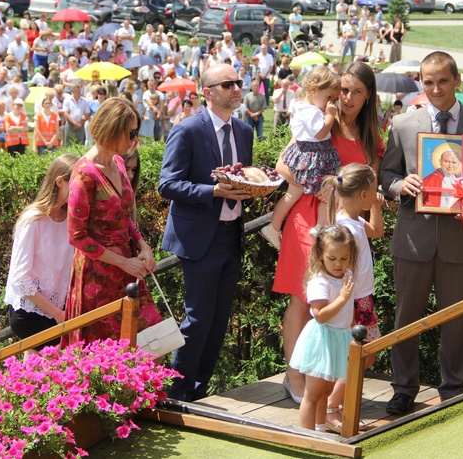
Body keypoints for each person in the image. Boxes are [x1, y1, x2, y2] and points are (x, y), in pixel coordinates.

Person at [380, 51, 463, 415]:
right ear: (421, 81)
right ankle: (403, 388)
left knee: (455, 319)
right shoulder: (403, 124)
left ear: (457, 81)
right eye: (428, 81)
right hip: (412, 239)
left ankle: (453, 389)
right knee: (405, 316)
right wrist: (400, 184)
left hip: (459, 241)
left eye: (442, 81)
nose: (435, 88)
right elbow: (385, 174)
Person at [274, 61, 383, 402]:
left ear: (368, 97)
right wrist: (315, 182)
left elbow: (370, 185)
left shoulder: (372, 137)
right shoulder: (322, 121)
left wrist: (340, 193)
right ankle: (295, 377)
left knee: (342, 300)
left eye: (356, 92)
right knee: (302, 295)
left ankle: (330, 383)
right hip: (308, 217)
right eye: (343, 90)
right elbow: (283, 164)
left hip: (346, 228)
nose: (347, 98)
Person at [159, 63, 253, 402]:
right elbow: (167, 184)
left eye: (238, 82)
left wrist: (255, 188)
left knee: (218, 320)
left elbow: (243, 178)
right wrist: (212, 192)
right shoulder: (187, 130)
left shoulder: (244, 131)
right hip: (199, 238)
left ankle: (199, 391)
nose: (236, 88)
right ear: (207, 93)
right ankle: (176, 391)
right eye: (227, 84)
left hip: (232, 233)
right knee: (198, 318)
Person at [63, 98, 161, 344]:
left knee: (150, 338)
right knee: (103, 350)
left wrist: (143, 245)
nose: (135, 139)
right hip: (97, 277)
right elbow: (76, 236)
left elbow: (124, 215)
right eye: (132, 133)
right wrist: (123, 262)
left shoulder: (118, 162)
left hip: (127, 268)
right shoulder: (84, 173)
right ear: (112, 130)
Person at [321, 163, 384, 432]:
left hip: (362, 299)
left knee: (365, 355)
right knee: (359, 356)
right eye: (374, 190)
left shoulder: (355, 220)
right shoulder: (345, 228)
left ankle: (340, 406)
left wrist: (377, 208)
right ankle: (332, 408)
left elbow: (377, 232)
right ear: (363, 195)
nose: (377, 193)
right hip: (353, 302)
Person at [260, 66, 341, 249]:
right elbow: (320, 133)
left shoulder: (303, 107)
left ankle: (274, 226)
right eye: (329, 97)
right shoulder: (311, 111)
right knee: (327, 195)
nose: (332, 103)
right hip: (314, 157)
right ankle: (319, 227)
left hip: (307, 155)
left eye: (334, 100)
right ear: (313, 89)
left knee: (294, 192)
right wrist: (330, 116)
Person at [5, 154, 78, 352]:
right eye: (77, 182)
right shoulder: (34, 219)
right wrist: (57, 313)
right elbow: (21, 278)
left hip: (57, 311)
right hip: (29, 311)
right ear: (59, 182)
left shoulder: (71, 217)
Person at [288, 224, 356, 432]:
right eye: (332, 258)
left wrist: (352, 326)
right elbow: (320, 315)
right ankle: (307, 438)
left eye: (344, 258)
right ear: (320, 255)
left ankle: (320, 432)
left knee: (326, 392)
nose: (338, 264)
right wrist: (343, 298)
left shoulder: (346, 276)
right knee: (313, 394)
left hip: (339, 339)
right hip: (322, 340)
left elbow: (347, 311)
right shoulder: (319, 281)